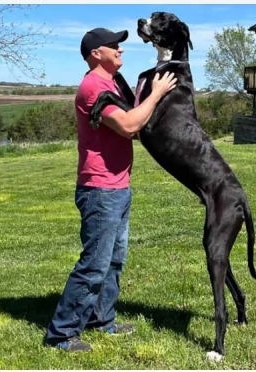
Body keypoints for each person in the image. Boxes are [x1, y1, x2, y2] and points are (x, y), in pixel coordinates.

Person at [44, 28, 178, 352]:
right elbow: (131, 124)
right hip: (100, 189)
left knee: (114, 260)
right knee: (94, 264)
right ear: (95, 53)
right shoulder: (93, 87)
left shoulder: (114, 83)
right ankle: (61, 334)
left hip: (118, 186)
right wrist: (157, 93)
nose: (120, 50)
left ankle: (102, 319)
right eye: (114, 46)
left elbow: (135, 121)